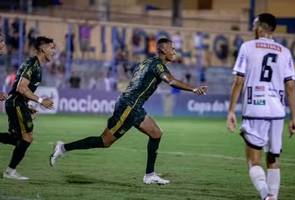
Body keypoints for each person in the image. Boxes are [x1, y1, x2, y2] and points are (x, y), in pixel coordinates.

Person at [50, 38, 208, 185]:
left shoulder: (147, 62)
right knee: (105, 141)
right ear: (163, 50)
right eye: (172, 49)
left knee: (156, 133)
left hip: (134, 106)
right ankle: (63, 148)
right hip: (128, 106)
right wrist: (194, 88)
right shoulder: (158, 65)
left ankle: (149, 175)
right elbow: (171, 81)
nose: (174, 52)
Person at [226, 13, 295, 200]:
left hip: (255, 108)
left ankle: (267, 195)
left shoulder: (247, 47)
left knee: (253, 160)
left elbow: (238, 80)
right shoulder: (285, 52)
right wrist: (294, 118)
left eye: (253, 25)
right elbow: (291, 86)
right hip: (277, 111)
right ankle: (272, 197)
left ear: (259, 27)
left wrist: (231, 110)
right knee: (273, 159)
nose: (252, 29)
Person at [0, 36, 55, 180]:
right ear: (42, 49)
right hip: (16, 103)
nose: (53, 51)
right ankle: (10, 171)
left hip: (18, 103)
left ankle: (10, 171)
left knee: (17, 138)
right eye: (51, 47)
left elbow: (22, 89)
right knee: (27, 137)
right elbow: (21, 87)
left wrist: (29, 105)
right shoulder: (32, 64)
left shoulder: (37, 65)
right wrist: (41, 100)